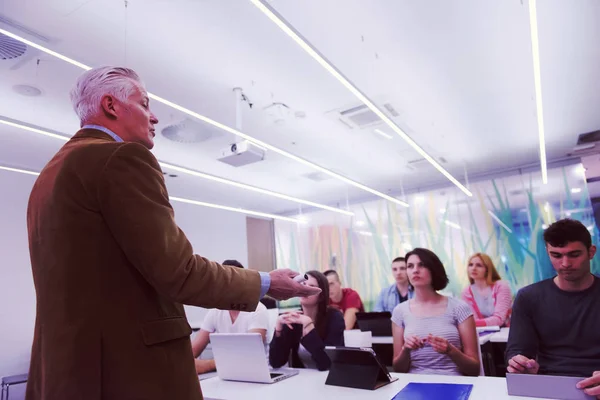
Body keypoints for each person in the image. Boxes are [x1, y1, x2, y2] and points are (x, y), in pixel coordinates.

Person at [25, 66, 320, 400]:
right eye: (145, 104)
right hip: (129, 372)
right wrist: (267, 283)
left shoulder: (49, 176)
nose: (154, 118)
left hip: (69, 371)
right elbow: (179, 272)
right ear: (111, 106)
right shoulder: (120, 157)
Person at [506, 219, 600, 398]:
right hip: (549, 385)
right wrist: (520, 364)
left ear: (591, 252)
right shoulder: (528, 297)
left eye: (574, 254)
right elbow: (517, 350)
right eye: (556, 255)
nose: (565, 263)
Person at [392, 248, 480, 376]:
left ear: (434, 269)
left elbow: (474, 369)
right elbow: (398, 369)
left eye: (421, 265)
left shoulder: (459, 308)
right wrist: (406, 349)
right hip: (413, 384)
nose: (415, 270)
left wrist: (450, 350)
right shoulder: (399, 311)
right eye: (410, 266)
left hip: (454, 382)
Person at [191, 260, 269, 374]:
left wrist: (209, 364)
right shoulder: (215, 311)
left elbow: (250, 353)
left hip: (254, 373)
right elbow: (192, 351)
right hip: (226, 373)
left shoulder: (258, 309)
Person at [269, 270, 345, 371]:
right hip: (302, 380)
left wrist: (308, 325)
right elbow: (276, 362)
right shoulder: (295, 318)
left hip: (328, 379)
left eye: (311, 286)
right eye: (303, 284)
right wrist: (278, 329)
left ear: (321, 294)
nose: (304, 289)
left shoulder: (335, 317)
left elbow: (327, 363)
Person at [461, 253, 512, 327]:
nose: (473, 268)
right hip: (483, 333)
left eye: (479, 265)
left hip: (506, 331)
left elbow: (500, 319)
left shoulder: (501, 286)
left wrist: (472, 324)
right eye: (470, 265)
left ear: (487, 269)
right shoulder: (466, 292)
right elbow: (473, 319)